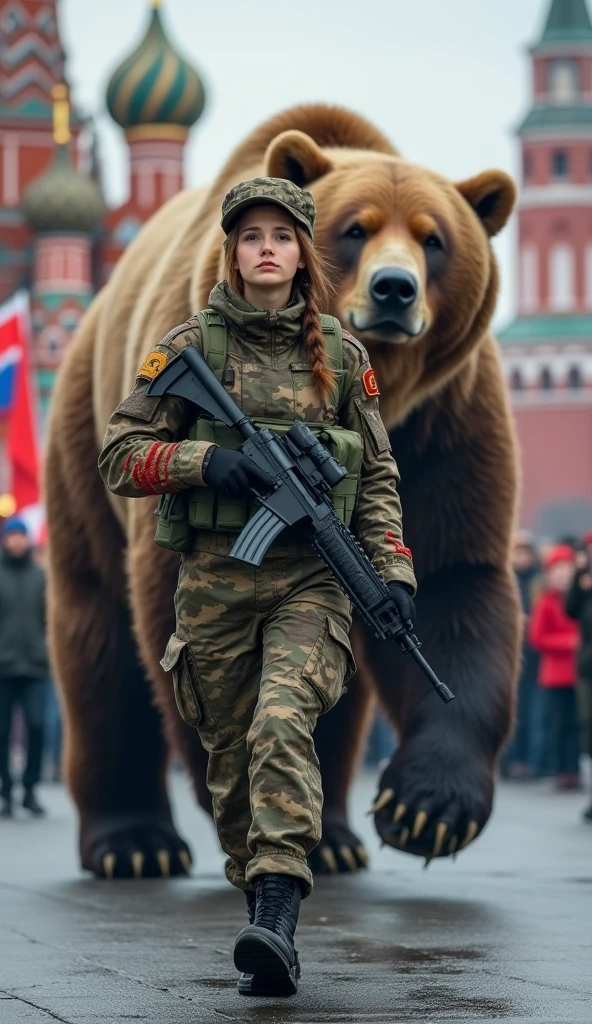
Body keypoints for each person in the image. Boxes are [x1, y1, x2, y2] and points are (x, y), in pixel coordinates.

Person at [98, 177, 417, 996]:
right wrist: (209, 461)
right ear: (233, 251)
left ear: (302, 254)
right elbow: (121, 454)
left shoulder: (343, 357)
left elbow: (376, 476)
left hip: (311, 583)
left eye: (281, 235)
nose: (266, 248)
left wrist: (392, 573)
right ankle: (259, 901)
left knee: (283, 725)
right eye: (251, 236)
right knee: (233, 761)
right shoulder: (188, 348)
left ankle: (277, 911)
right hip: (215, 585)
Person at [0, 518, 49, 817]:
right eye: (12, 537)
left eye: (21, 536)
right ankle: (6, 790)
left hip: (35, 667)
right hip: (2, 669)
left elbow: (51, 618)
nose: (17, 542)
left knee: (37, 726)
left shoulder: (41, 577)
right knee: (2, 732)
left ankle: (30, 789)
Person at [529, 544, 581, 790]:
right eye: (558, 573)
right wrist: (569, 643)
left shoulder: (577, 600)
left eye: (567, 572)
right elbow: (537, 637)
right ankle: (560, 768)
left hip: (577, 674)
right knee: (558, 724)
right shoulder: (546, 603)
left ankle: (574, 769)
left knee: (576, 724)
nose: (563, 577)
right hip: (555, 674)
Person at [501, 531, 543, 778]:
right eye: (517, 551)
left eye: (525, 552)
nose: (521, 557)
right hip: (509, 655)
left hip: (534, 656)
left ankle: (529, 761)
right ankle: (509, 760)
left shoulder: (539, 582)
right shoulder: (505, 580)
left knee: (531, 711)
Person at [565, 530, 592, 820]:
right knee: (588, 728)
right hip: (587, 666)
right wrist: (579, 581)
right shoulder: (583, 581)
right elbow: (569, 610)